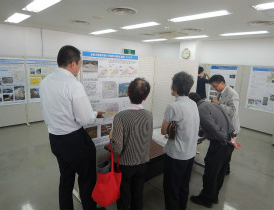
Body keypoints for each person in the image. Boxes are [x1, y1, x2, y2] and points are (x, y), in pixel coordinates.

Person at [40, 45, 105, 210]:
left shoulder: (45, 82)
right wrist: (94, 113)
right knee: (87, 177)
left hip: (55, 138)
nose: (80, 67)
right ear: (73, 64)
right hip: (73, 140)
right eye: (80, 64)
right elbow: (85, 118)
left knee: (66, 178)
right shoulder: (73, 85)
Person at [188, 93, 241, 208]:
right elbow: (216, 124)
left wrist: (227, 140)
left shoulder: (201, 110)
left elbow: (214, 128)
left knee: (211, 171)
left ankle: (206, 199)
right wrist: (230, 139)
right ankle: (214, 196)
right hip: (228, 140)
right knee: (220, 172)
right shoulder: (210, 104)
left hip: (221, 143)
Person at [110, 78, 153, 210]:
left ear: (127, 93)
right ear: (145, 98)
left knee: (124, 195)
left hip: (125, 165)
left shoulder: (120, 117)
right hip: (142, 162)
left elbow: (117, 148)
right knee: (137, 194)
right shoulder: (149, 115)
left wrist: (112, 137)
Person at [161, 72, 200, 210]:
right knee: (183, 186)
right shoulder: (193, 103)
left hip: (176, 155)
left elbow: (163, 131)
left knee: (171, 189)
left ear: (175, 87)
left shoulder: (173, 106)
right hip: (190, 153)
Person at [209, 74, 240, 175]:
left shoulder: (232, 94)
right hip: (223, 125)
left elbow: (233, 111)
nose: (214, 88)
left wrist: (218, 104)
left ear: (222, 83)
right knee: (223, 149)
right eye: (213, 86)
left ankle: (225, 169)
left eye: (215, 86)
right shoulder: (221, 92)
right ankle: (224, 167)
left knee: (227, 149)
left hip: (230, 127)